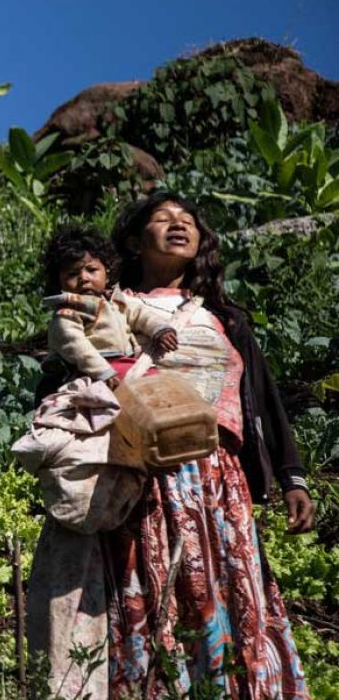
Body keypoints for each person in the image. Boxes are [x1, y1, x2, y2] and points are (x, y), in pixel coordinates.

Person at [101, 192, 312, 697]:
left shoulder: (227, 319)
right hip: (145, 473)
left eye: (188, 221)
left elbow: (263, 399)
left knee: (222, 590)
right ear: (135, 240)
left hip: (218, 477)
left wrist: (291, 478)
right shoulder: (113, 308)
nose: (179, 225)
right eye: (162, 219)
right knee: (156, 588)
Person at [41, 225, 178, 390]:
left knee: (164, 384)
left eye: (92, 270)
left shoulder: (117, 301)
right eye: (72, 274)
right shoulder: (68, 312)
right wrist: (103, 372)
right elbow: (76, 346)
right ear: (59, 282)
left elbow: (140, 313)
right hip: (96, 369)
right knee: (149, 392)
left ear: (107, 273)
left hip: (127, 362)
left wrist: (160, 330)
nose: (84, 278)